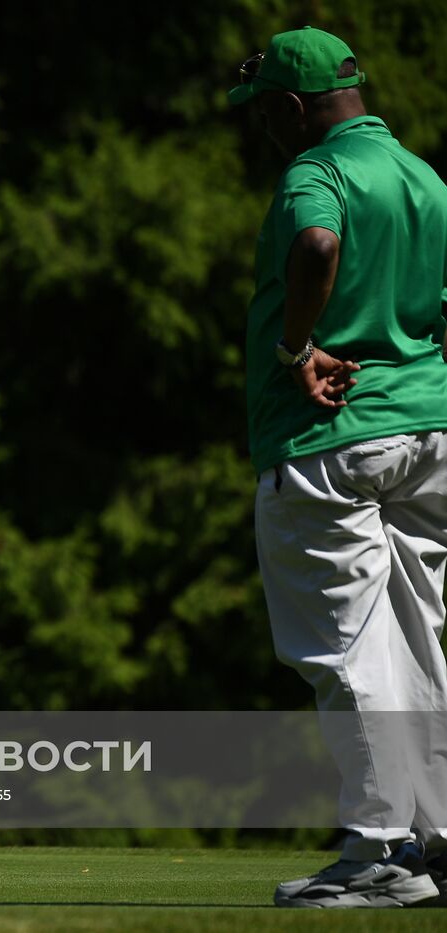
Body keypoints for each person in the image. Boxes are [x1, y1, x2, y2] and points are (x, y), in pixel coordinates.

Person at [231, 26, 447, 908]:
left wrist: (296, 349)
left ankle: (382, 847)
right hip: (429, 429)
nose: (267, 133)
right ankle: (437, 841)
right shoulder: (426, 178)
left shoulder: (314, 173)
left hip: (331, 439)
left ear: (292, 107)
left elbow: (316, 248)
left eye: (267, 116)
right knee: (423, 638)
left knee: (348, 646)